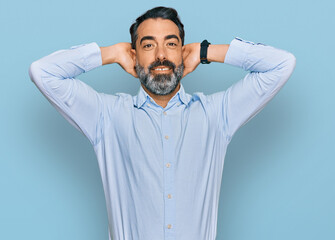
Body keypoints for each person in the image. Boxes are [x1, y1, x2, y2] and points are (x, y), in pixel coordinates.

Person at [28, 6, 296, 240]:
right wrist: (109, 53)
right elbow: (43, 72)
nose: (160, 55)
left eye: (171, 44)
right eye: (147, 45)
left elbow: (282, 64)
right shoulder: (105, 116)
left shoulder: (216, 114)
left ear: (182, 52)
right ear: (134, 56)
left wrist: (206, 51)